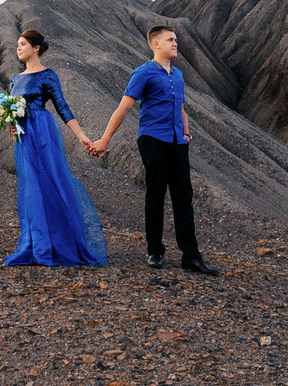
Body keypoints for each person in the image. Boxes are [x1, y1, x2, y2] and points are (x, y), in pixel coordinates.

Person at [89, 25, 214, 275]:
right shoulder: (143, 73)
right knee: (156, 193)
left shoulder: (177, 75)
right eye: (170, 39)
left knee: (183, 196)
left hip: (178, 141)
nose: (175, 43)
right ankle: (155, 251)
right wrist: (105, 140)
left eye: (176, 39)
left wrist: (187, 134)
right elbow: (124, 107)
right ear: (156, 44)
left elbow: (180, 108)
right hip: (153, 138)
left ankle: (191, 256)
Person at [1, 28, 108, 268]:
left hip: (43, 132)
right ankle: (36, 243)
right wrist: (12, 123)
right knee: (31, 187)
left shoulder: (48, 76)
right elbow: (13, 109)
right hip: (24, 137)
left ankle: (61, 241)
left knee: (53, 182)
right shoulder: (15, 79)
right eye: (17, 44)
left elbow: (62, 107)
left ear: (35, 48)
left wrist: (81, 136)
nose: (18, 48)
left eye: (22, 44)